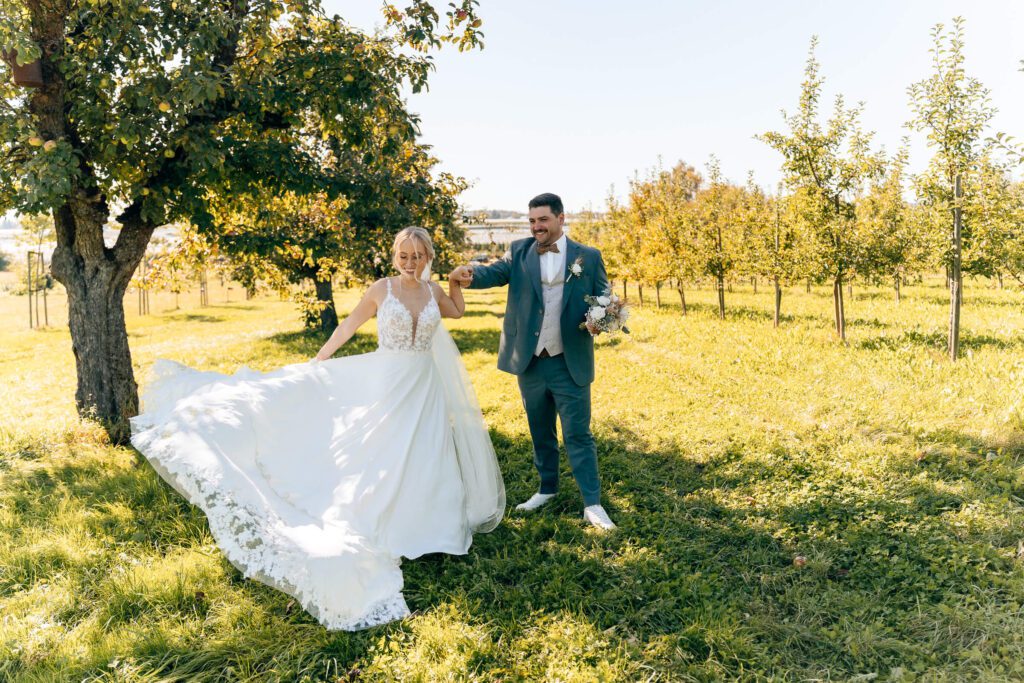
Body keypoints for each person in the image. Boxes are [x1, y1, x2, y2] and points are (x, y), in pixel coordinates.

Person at [130, 227, 505, 631]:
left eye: (417, 255)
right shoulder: (383, 288)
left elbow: (456, 311)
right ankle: (385, 519)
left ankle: (433, 527)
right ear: (394, 255)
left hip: (423, 385)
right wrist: (320, 358)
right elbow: (350, 325)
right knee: (388, 449)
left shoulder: (433, 293)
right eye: (403, 255)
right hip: (387, 380)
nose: (410, 262)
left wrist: (452, 283)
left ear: (428, 255)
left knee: (427, 450)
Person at [450, 193, 616, 530]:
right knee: (540, 430)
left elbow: (605, 298)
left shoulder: (589, 256)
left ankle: (593, 503)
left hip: (570, 361)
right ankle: (547, 489)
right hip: (530, 361)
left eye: (542, 220)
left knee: (578, 434)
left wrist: (604, 319)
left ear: (560, 218)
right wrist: (467, 275)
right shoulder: (519, 250)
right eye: (531, 221)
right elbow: (492, 273)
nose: (536, 226)